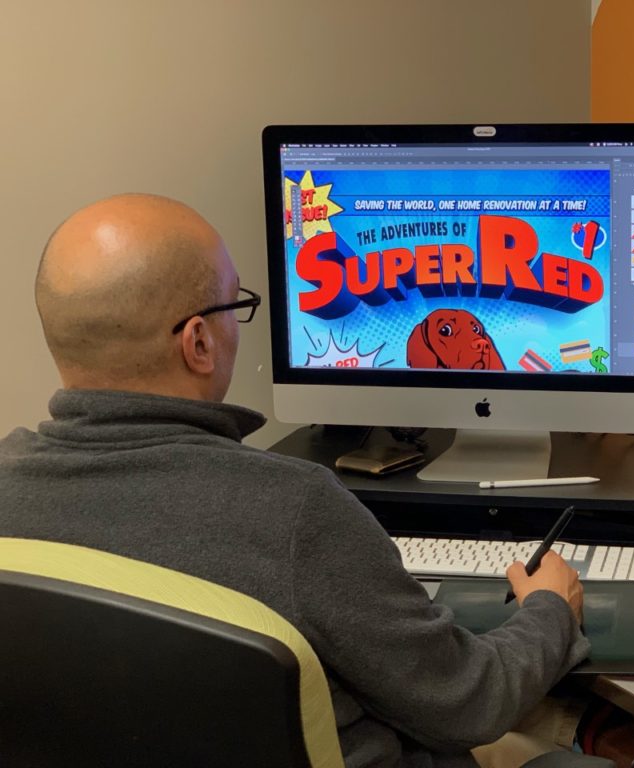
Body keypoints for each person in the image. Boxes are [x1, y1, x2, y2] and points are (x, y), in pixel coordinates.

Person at [0, 193, 594, 768]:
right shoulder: (296, 511)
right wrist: (550, 608)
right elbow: (471, 702)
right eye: (235, 306)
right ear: (199, 342)